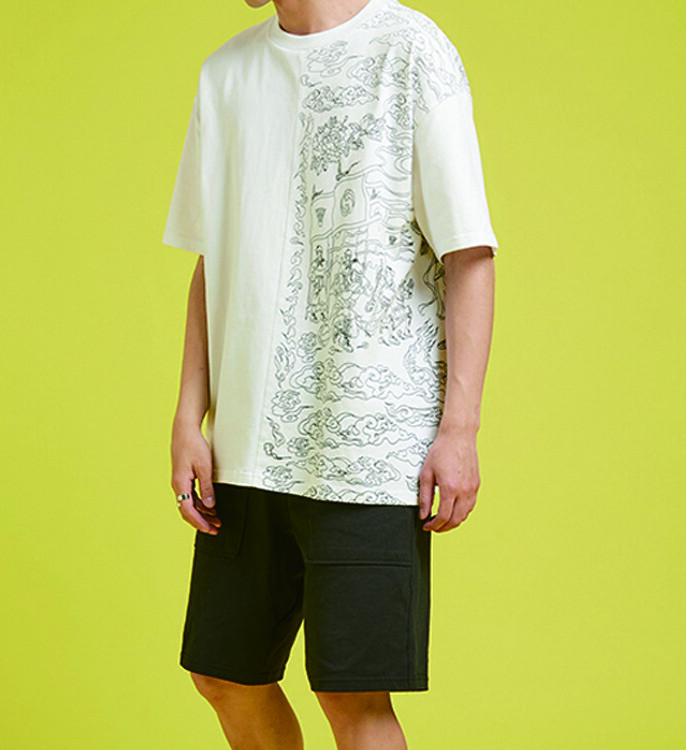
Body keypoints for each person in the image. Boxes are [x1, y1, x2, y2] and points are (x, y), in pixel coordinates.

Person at [161, 0, 499, 747]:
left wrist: (460, 429)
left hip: (369, 451)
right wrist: (189, 415)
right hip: (247, 446)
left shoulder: (409, 49)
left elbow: (468, 251)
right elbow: (213, 257)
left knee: (351, 696)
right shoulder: (226, 73)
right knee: (224, 673)